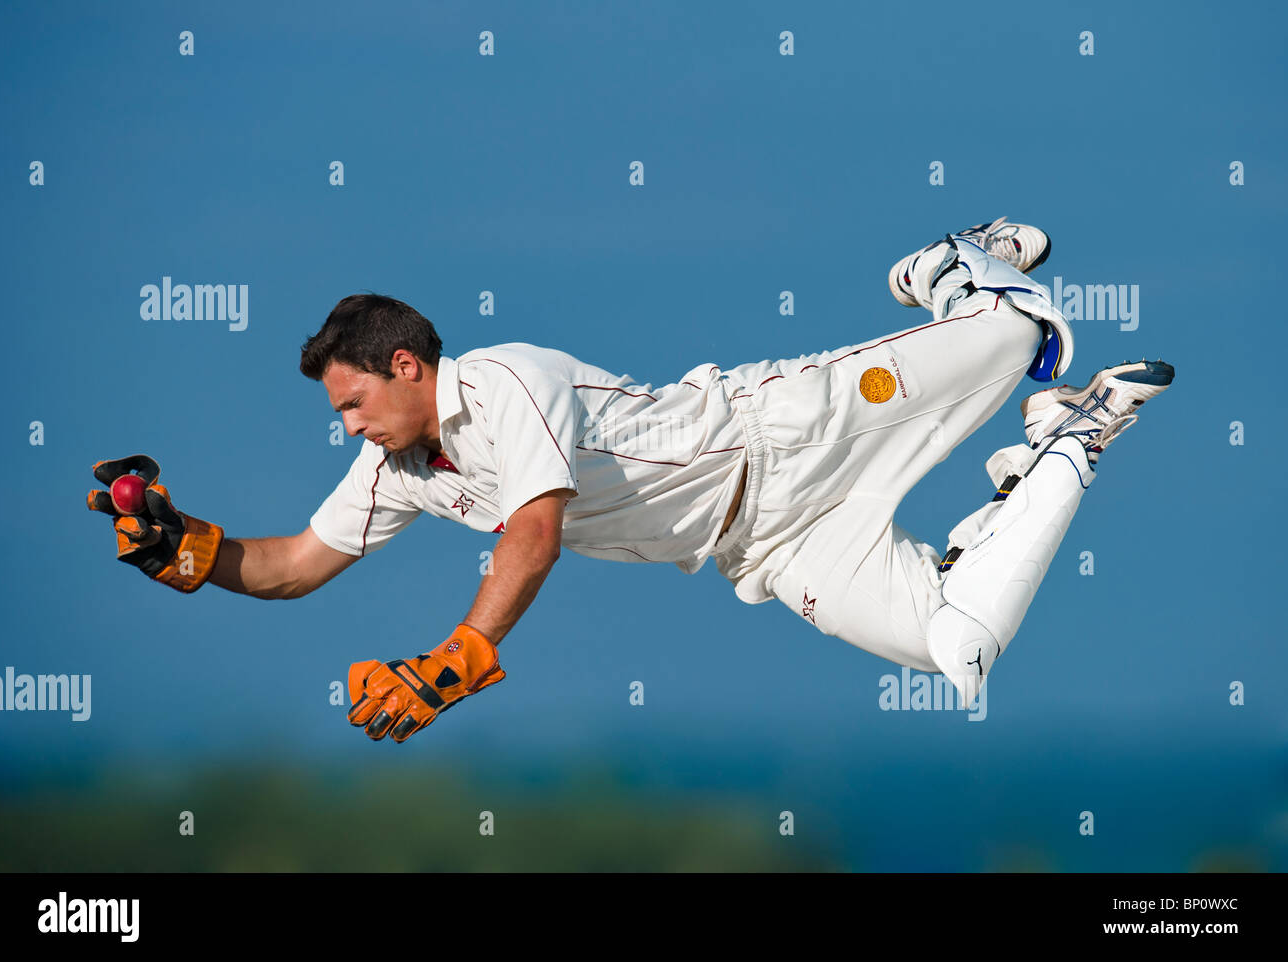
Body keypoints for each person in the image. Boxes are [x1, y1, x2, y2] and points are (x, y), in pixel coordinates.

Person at [87, 218, 1174, 743]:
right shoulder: (400, 470)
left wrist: (456, 660)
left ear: (408, 365)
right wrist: (175, 542)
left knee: (1034, 324)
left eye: (354, 401)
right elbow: (283, 568)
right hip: (771, 544)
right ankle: (1067, 439)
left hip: (786, 431)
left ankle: (953, 267)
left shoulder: (505, 378)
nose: (350, 426)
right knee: (959, 649)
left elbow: (535, 530)